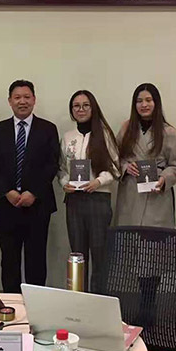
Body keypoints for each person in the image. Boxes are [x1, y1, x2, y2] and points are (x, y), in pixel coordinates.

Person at [0, 80, 59, 293]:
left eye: (27, 97)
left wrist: (33, 192)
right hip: (6, 205)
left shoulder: (48, 129)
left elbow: (52, 164)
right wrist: (6, 191)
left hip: (38, 205)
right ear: (10, 101)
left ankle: (36, 304)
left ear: (34, 100)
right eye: (17, 97)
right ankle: (11, 302)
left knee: (36, 258)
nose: (22, 101)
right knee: (9, 259)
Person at [58, 89, 119, 292]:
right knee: (77, 254)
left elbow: (116, 168)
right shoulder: (68, 137)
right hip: (74, 201)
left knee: (100, 254)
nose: (81, 109)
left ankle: (99, 299)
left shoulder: (104, 135)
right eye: (76, 106)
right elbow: (61, 168)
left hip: (98, 199)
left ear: (93, 108)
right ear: (71, 110)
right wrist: (64, 182)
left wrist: (98, 182)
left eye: (85, 105)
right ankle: (79, 299)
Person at [114, 83, 176, 227]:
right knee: (129, 235)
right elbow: (114, 157)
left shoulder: (168, 132)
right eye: (139, 101)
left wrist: (164, 178)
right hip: (131, 192)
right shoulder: (126, 128)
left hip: (156, 192)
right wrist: (126, 167)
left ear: (156, 103)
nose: (144, 105)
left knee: (154, 237)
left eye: (148, 100)